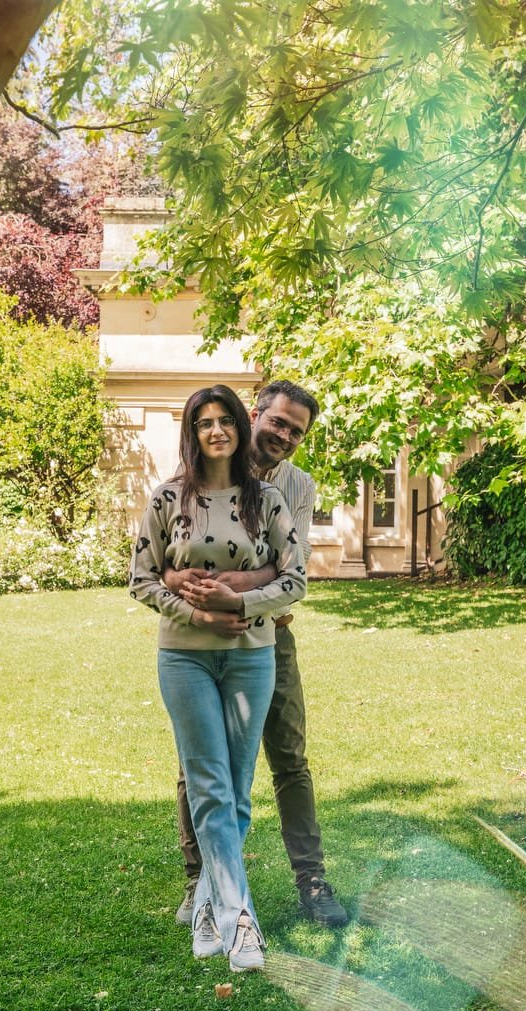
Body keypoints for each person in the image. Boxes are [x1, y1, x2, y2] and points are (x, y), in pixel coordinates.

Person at [129, 384, 307, 973]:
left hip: (252, 655)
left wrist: (239, 604)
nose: (215, 432)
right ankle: (241, 920)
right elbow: (142, 579)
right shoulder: (167, 498)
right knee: (208, 784)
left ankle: (207, 906)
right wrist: (197, 614)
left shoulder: (269, 501)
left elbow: (295, 580)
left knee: (236, 788)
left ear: (238, 425)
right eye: (203, 423)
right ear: (193, 431)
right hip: (183, 656)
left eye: (223, 420)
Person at [167, 381, 349, 929]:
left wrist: (238, 588)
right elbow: (169, 560)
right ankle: (201, 882)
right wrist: (191, 583)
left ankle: (312, 881)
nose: (286, 436)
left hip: (270, 635)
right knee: (198, 766)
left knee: (289, 759)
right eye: (279, 422)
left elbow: (290, 565)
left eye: (297, 431)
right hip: (200, 638)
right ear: (256, 414)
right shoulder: (201, 470)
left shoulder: (297, 485)